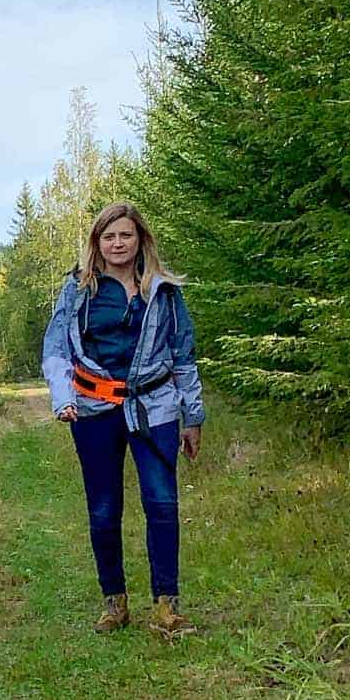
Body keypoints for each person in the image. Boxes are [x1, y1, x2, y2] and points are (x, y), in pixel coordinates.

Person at [42, 201, 203, 640]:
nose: (117, 244)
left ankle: (167, 605)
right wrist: (63, 397)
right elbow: (56, 349)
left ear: (140, 240)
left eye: (125, 236)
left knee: (162, 504)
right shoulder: (77, 290)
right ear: (97, 243)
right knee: (104, 508)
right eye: (109, 236)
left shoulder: (165, 291)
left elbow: (184, 357)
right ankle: (114, 601)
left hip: (156, 408)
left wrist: (193, 417)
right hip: (95, 410)